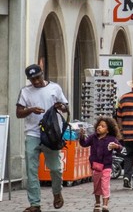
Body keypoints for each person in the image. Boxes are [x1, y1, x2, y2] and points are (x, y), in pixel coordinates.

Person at [17, 64, 69, 212]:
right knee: (31, 170)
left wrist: (61, 107)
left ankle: (57, 192)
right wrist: (30, 109)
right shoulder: (25, 92)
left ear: (42, 74)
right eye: (32, 79)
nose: (36, 81)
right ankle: (35, 203)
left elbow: (66, 107)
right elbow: (19, 112)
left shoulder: (55, 88)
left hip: (51, 134)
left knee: (56, 168)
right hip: (33, 133)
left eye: (38, 77)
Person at [79, 117, 122, 212]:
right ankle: (97, 203)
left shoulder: (111, 139)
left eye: (103, 126)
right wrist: (81, 137)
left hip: (106, 166)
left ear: (108, 130)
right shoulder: (93, 137)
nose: (99, 127)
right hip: (96, 166)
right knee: (97, 185)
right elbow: (84, 144)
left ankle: (105, 205)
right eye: (99, 125)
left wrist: (116, 146)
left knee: (105, 185)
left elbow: (120, 148)